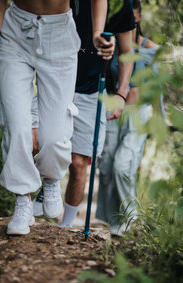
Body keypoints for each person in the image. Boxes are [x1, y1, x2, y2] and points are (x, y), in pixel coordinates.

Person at [0, 0, 113, 235]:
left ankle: (51, 178)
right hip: (15, 32)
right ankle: (22, 200)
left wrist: (97, 32)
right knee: (16, 124)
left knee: (55, 134)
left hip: (60, 35)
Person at [31, 0, 135, 229]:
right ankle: (38, 194)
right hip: (54, 79)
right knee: (35, 142)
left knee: (78, 163)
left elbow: (127, 51)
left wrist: (121, 93)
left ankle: (66, 227)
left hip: (92, 88)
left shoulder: (121, 5)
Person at [95, 0, 160, 236]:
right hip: (114, 109)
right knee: (109, 165)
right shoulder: (113, 42)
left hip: (139, 115)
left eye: (133, 18)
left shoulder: (150, 48)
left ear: (138, 18)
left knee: (124, 166)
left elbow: (156, 88)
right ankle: (115, 220)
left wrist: (159, 122)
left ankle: (130, 218)